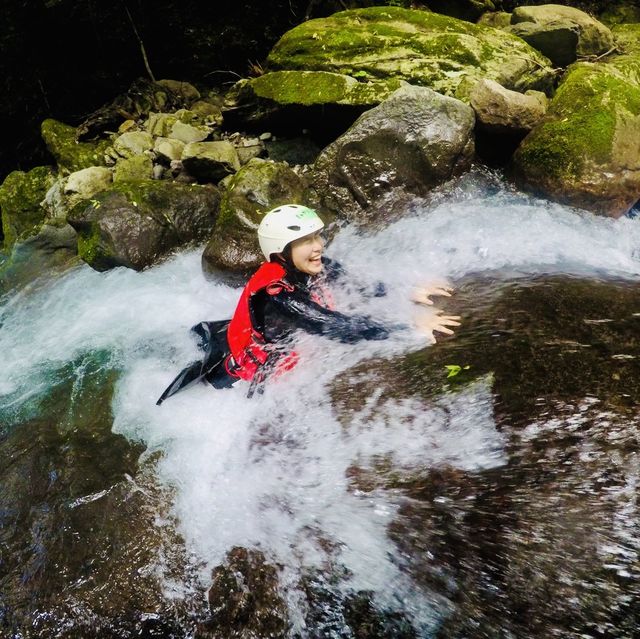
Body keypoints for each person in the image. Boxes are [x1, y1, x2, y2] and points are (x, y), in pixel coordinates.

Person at [156, 204, 459, 404]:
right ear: (281, 251)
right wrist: (408, 327)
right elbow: (332, 326)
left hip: (258, 340)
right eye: (305, 241)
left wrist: (405, 291)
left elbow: (354, 283)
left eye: (316, 237)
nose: (318, 246)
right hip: (247, 375)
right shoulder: (279, 295)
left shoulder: (312, 265)